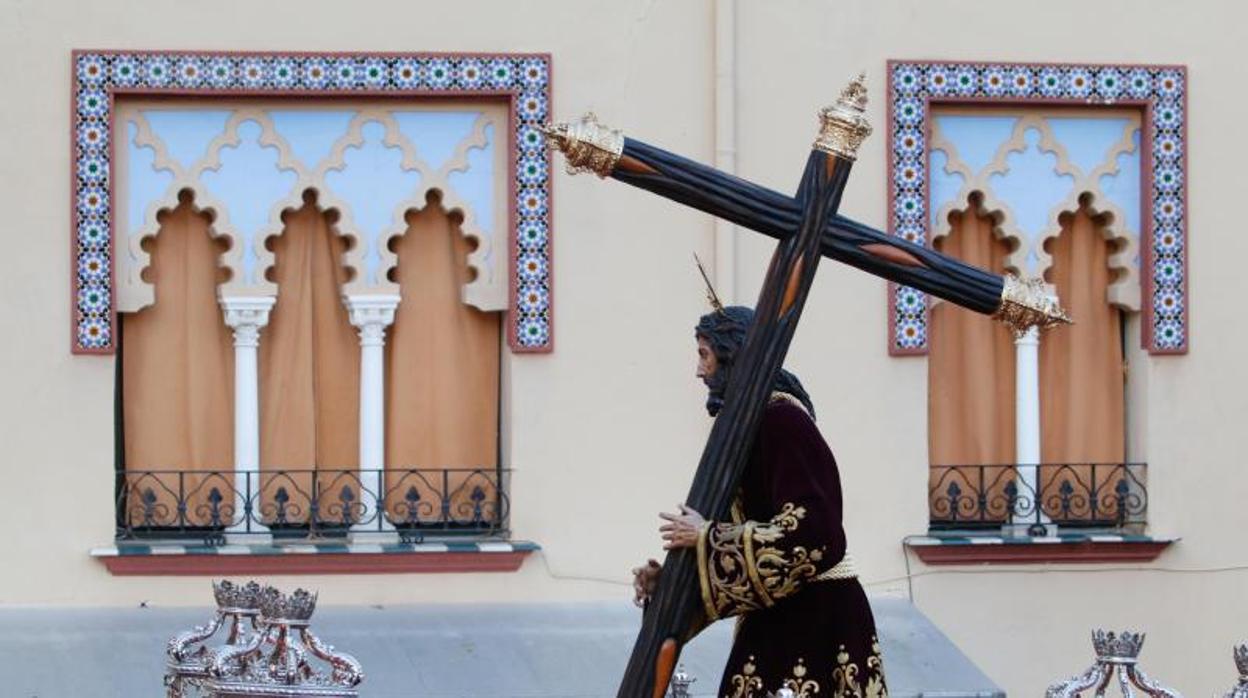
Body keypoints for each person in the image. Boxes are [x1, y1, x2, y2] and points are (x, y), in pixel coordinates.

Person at [633, 305, 888, 698]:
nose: (699, 371)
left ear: (734, 354)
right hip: (778, 619)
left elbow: (817, 531)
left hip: (816, 622)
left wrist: (708, 537)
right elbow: (737, 546)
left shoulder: (783, 421)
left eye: (705, 355)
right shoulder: (751, 427)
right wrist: (671, 582)